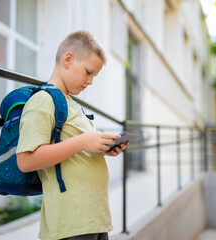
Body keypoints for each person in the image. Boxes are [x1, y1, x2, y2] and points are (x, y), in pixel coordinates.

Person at [16, 30, 130, 240]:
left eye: (94, 76)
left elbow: (77, 149)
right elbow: (25, 160)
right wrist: (82, 142)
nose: (90, 82)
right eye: (88, 72)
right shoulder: (43, 100)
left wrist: (103, 149)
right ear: (68, 59)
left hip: (93, 218)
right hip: (70, 223)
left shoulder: (73, 105)